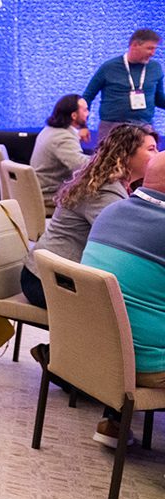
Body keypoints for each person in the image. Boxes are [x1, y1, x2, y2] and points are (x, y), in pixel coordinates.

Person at [77, 151, 165, 447]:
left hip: (99, 352)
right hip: (148, 365)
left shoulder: (111, 212)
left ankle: (113, 422)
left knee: (136, 303)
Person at [20, 123, 158, 309]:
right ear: (126, 154)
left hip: (47, 273)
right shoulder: (105, 190)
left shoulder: (112, 182)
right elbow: (122, 245)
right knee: (130, 308)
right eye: (151, 149)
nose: (158, 154)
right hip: (44, 282)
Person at [82, 29, 164, 145]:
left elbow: (159, 99)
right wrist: (82, 126)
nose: (153, 53)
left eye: (155, 49)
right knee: (108, 162)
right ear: (135, 45)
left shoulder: (155, 68)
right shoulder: (109, 67)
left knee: (146, 162)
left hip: (144, 127)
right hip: (112, 128)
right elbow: (87, 97)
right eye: (150, 48)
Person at [30, 94, 91, 206]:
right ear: (74, 115)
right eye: (85, 110)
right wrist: (107, 160)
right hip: (50, 197)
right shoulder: (63, 137)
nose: (88, 113)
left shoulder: (50, 130)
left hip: (41, 191)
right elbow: (82, 166)